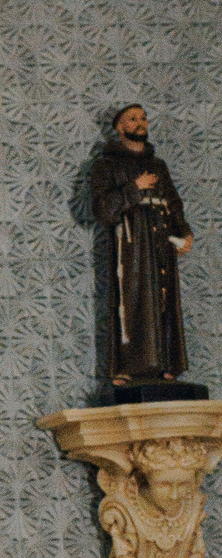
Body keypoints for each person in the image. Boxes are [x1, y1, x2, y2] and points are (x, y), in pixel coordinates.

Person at [91, 103, 197, 391]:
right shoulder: (106, 165)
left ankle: (166, 364)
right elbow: (102, 209)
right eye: (132, 119)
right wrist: (134, 188)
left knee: (164, 299)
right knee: (133, 301)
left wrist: (184, 232)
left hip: (161, 239)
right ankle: (127, 367)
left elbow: (173, 203)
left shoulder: (158, 165)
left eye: (143, 118)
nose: (140, 123)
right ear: (119, 127)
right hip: (131, 242)